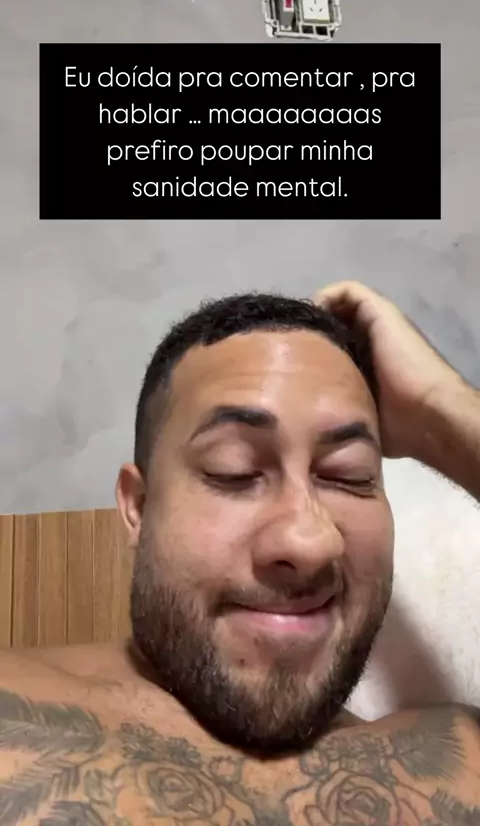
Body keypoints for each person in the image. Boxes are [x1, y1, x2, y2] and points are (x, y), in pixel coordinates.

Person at [0, 281, 479, 825]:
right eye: (234, 471)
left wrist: (440, 407)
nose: (308, 541)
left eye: (349, 476)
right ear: (138, 508)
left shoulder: (460, 757)